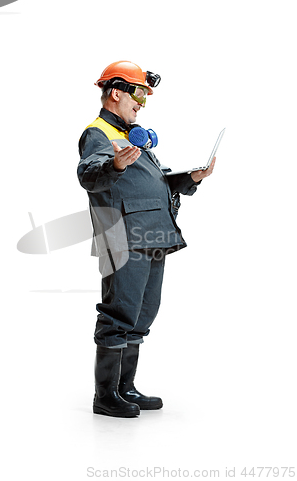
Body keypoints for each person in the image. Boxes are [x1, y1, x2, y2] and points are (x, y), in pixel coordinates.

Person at [77, 61, 215, 418]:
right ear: (116, 92)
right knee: (119, 312)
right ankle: (105, 396)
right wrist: (115, 165)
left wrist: (192, 178)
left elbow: (154, 184)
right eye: (138, 94)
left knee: (143, 312)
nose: (142, 103)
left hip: (152, 232)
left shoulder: (131, 136)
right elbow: (89, 175)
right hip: (121, 235)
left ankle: (126, 388)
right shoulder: (98, 133)